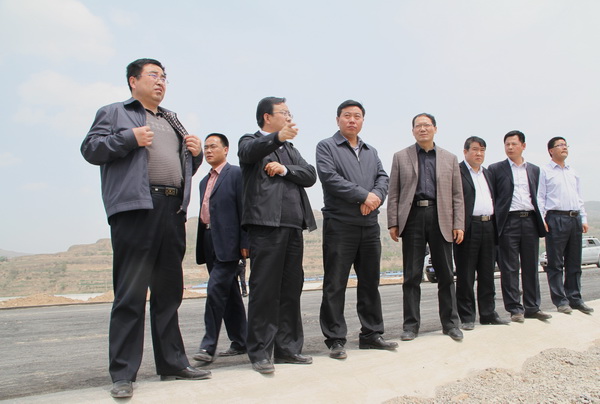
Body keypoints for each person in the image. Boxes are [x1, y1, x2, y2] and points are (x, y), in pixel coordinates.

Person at [81, 58, 210, 398]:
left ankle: (173, 363)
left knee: (169, 291)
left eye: (164, 77)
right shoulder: (115, 112)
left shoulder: (172, 120)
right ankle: (123, 373)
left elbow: (181, 168)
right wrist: (129, 138)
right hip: (137, 207)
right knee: (131, 292)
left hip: (172, 209)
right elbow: (91, 149)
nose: (160, 81)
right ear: (132, 81)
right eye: (153, 75)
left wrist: (195, 155)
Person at [238, 96, 317, 374]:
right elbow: (248, 153)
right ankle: (260, 351)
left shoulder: (290, 150)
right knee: (265, 290)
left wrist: (284, 169)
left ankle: (288, 348)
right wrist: (276, 139)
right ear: (267, 117)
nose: (289, 116)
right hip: (266, 226)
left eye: (290, 112)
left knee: (290, 289)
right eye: (284, 112)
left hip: (294, 226)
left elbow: (310, 175)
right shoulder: (251, 141)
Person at [316, 100, 396, 360]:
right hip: (340, 225)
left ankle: (371, 334)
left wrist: (375, 197)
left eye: (357, 116)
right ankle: (336, 339)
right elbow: (330, 178)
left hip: (369, 225)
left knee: (370, 281)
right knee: (335, 283)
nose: (352, 120)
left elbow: (383, 177)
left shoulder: (371, 151)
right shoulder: (326, 146)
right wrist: (363, 196)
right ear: (338, 119)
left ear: (363, 120)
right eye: (347, 115)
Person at [387, 113, 465, 342]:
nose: (422, 129)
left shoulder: (449, 158)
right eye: (418, 126)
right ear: (413, 130)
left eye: (427, 125)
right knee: (411, 275)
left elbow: (457, 195)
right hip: (412, 217)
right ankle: (410, 326)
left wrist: (458, 223)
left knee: (446, 275)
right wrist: (393, 222)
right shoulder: (401, 157)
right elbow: (394, 192)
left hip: (441, 217)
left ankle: (451, 324)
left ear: (435, 129)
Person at [193, 133, 248, 365]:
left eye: (213, 146)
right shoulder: (203, 182)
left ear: (225, 150)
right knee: (230, 294)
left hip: (229, 242)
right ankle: (241, 341)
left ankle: (208, 346)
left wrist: (245, 243)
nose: (208, 151)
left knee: (215, 291)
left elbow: (244, 209)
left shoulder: (236, 174)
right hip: (208, 240)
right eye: (205, 147)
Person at [487, 130, 551, 322]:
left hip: (530, 220)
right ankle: (515, 308)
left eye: (514, 144)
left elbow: (539, 196)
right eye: (507, 144)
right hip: (508, 222)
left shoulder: (534, 170)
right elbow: (492, 197)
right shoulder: (495, 169)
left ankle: (533, 307)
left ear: (523, 146)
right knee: (509, 267)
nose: (510, 147)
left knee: (531, 266)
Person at [454, 137, 509, 330]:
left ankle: (488, 313)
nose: (479, 153)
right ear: (465, 152)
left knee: (487, 273)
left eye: (482, 150)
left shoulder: (488, 174)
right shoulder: (457, 172)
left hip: (489, 226)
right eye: (475, 149)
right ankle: (467, 317)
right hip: (467, 228)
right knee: (466, 275)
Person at [537, 137, 594, 314]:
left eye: (565, 145)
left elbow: (578, 197)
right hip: (556, 218)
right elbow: (540, 197)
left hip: (574, 218)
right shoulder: (545, 171)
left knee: (574, 262)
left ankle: (575, 298)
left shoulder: (572, 172)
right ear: (551, 151)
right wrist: (542, 220)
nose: (564, 148)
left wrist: (583, 218)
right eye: (560, 145)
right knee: (555, 263)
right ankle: (561, 301)